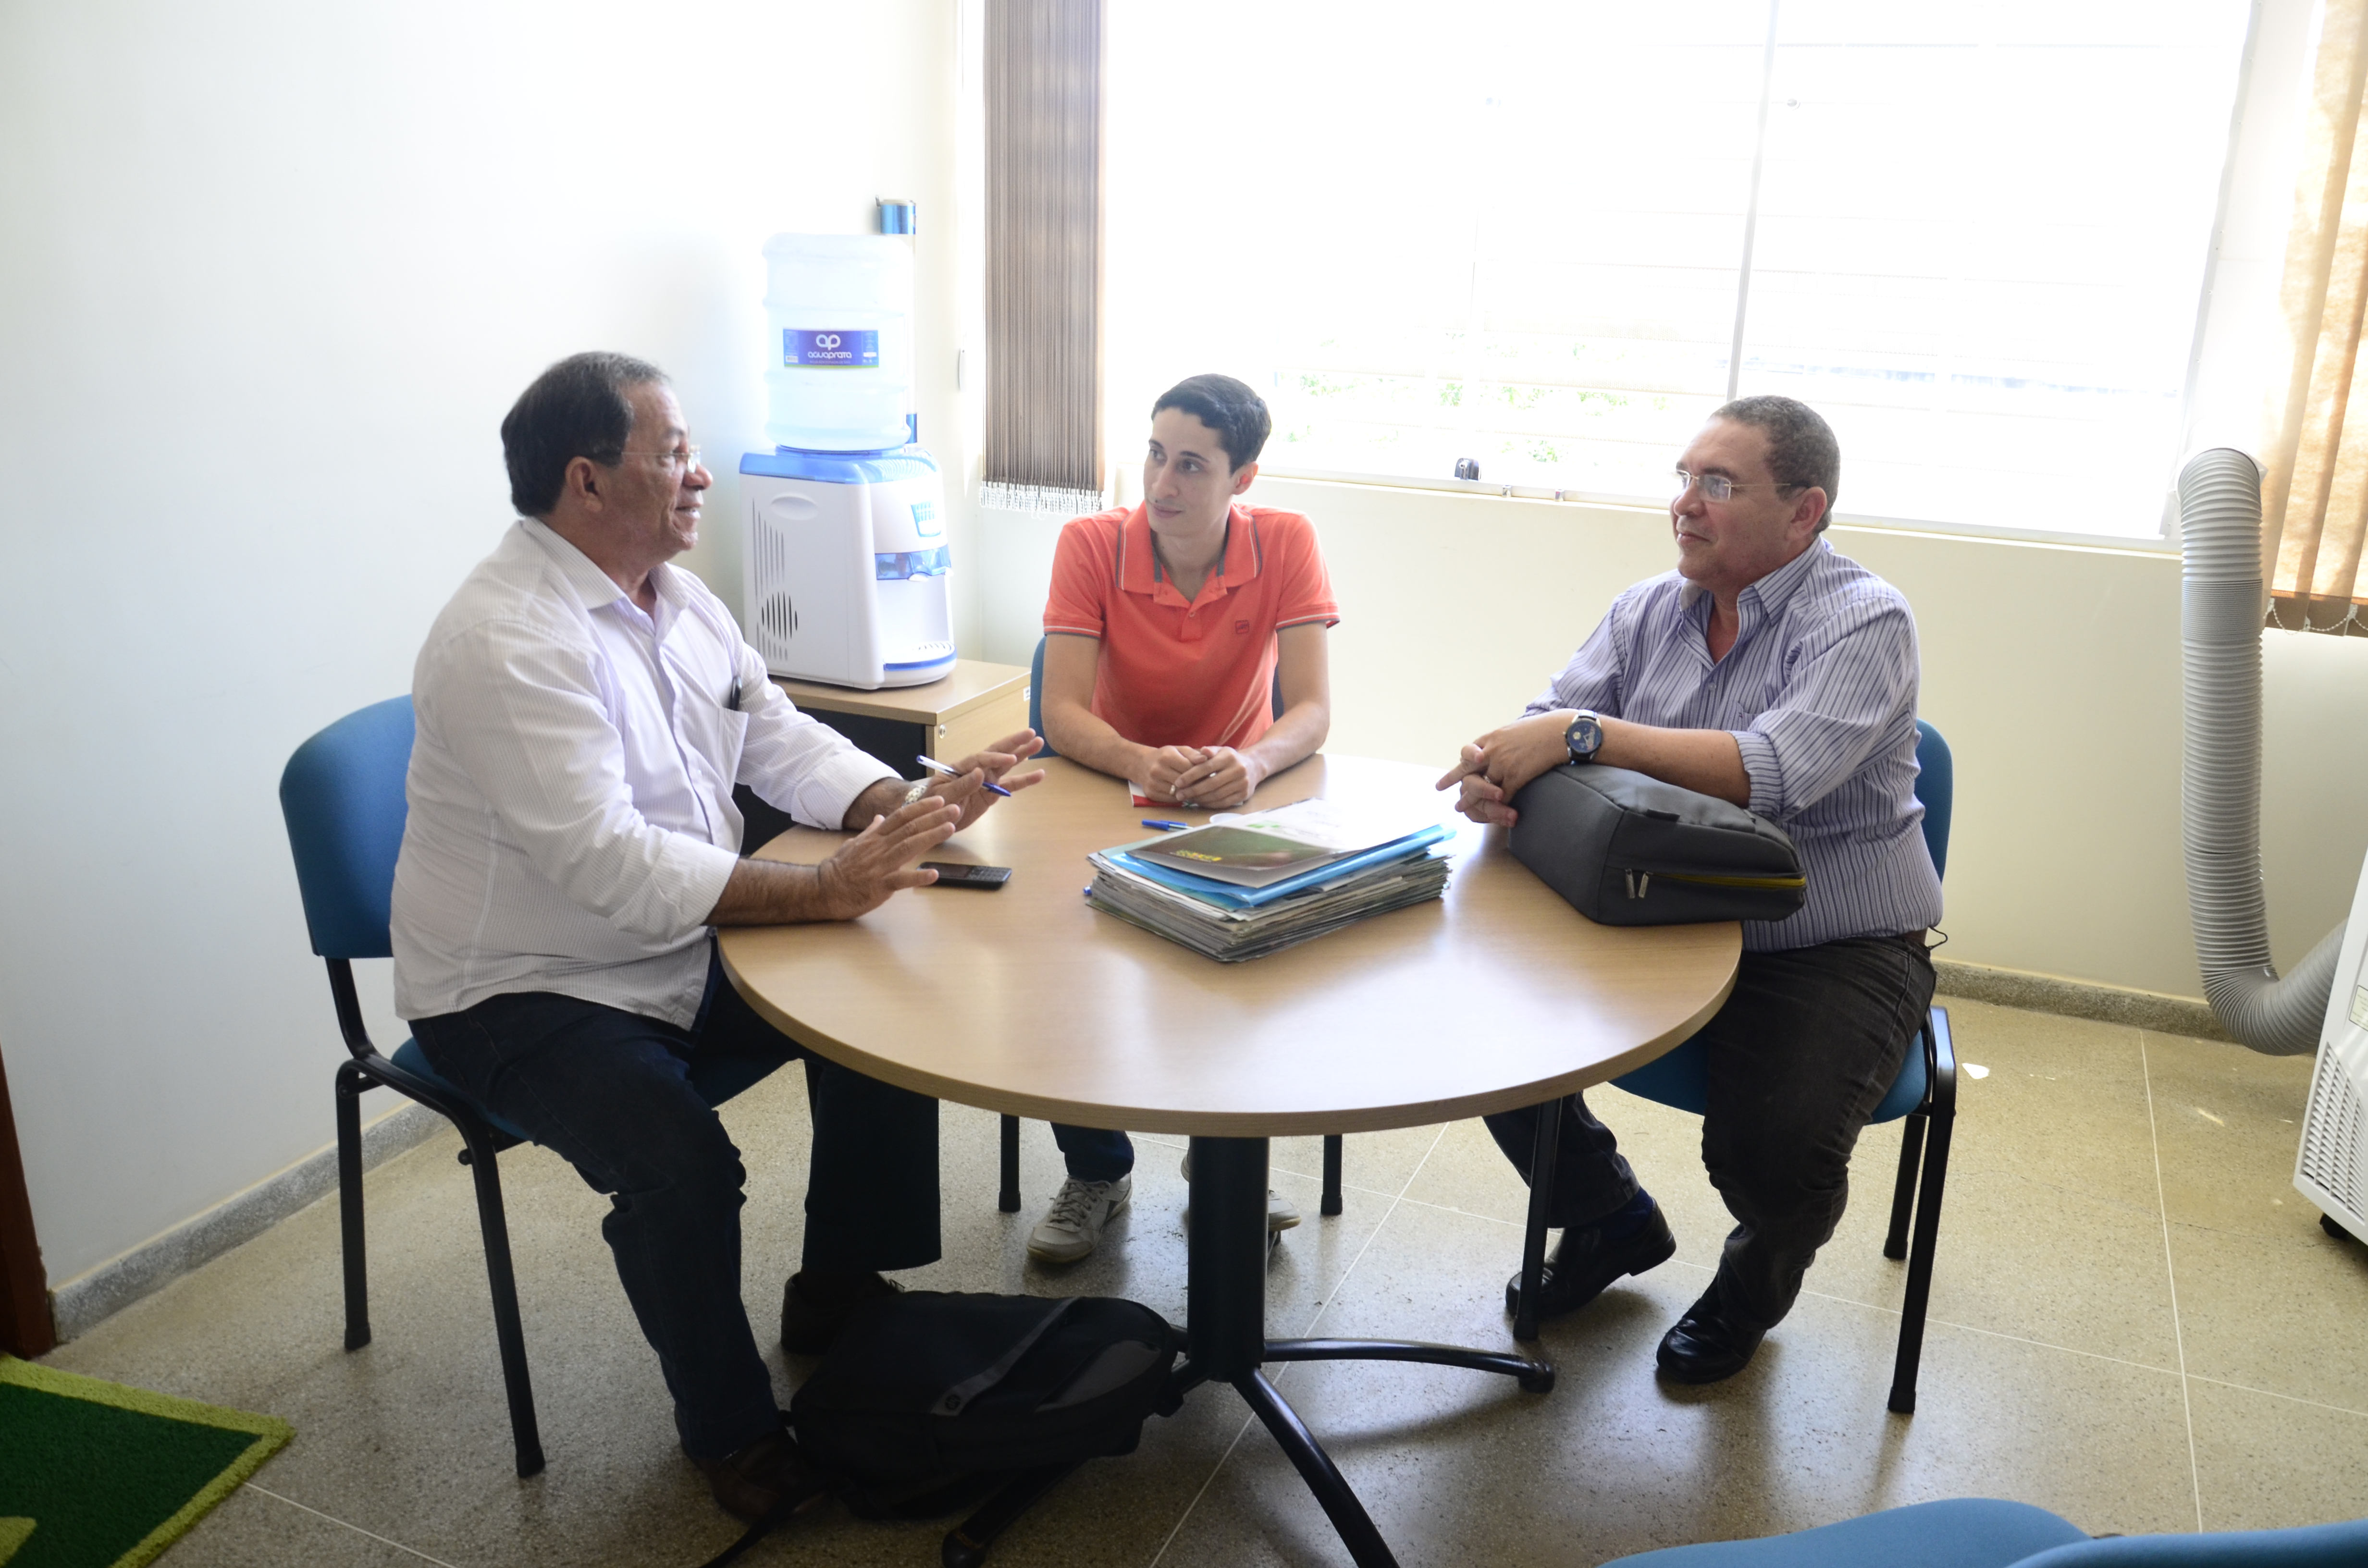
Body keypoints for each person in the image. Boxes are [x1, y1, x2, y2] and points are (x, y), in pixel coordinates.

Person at [390, 352, 1043, 1524]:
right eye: (675, 454)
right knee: (681, 1162)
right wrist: (820, 890)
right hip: (522, 987)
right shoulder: (508, 640)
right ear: (588, 480)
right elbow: (607, 864)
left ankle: (837, 1288)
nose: (700, 476)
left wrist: (902, 804)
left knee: (883, 1015)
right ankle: (731, 1432)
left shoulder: (679, 601)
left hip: (678, 942)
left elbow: (776, 739)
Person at [1436, 395, 1941, 1384]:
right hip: (1657, 902)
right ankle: (1609, 1218)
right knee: (1483, 1026)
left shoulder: (1866, 617)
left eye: (1719, 484)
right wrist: (1506, 771)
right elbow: (1552, 716)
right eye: (1682, 478)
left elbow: (1775, 771)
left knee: (1775, 1149)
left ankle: (1751, 1289)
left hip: (1824, 936)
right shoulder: (1646, 609)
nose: (1685, 504)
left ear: (1804, 511)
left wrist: (1582, 737)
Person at [1025, 373, 1340, 1263]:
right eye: (1156, 455)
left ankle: (1224, 1167)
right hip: (1103, 782)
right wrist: (1137, 759)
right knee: (1064, 966)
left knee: (1241, 962)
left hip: (1234, 794)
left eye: (1192, 465)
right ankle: (1098, 1171)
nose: (1162, 483)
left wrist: (1253, 762)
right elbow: (1060, 712)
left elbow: (1312, 709)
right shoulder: (1091, 543)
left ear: (1243, 478)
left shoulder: (1286, 540)